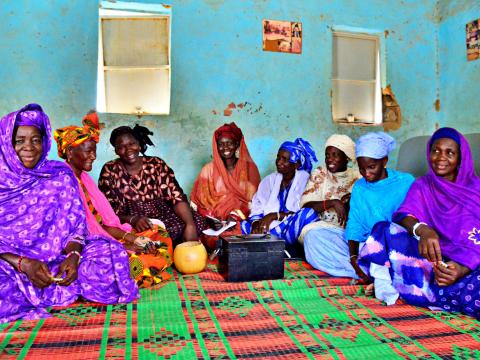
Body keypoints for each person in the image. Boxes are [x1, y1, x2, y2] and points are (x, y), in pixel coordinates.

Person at [0, 104, 138, 324]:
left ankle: (56, 285)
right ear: (6, 143)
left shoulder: (58, 175)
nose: (29, 147)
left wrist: (74, 256)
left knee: (110, 254)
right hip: (10, 264)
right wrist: (24, 264)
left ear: (43, 143)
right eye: (19, 140)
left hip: (57, 260)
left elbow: (75, 228)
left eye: (35, 140)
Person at [359, 128, 480, 319]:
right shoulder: (423, 185)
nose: (441, 157)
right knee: (384, 230)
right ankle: (397, 284)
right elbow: (404, 214)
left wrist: (463, 268)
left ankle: (409, 286)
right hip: (431, 262)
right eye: (436, 150)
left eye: (450, 153)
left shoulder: (476, 190)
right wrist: (422, 229)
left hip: (470, 265)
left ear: (461, 158)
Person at [54, 113, 173, 288]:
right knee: (132, 261)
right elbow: (84, 233)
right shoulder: (63, 182)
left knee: (159, 234)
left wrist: (133, 238)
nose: (93, 156)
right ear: (70, 152)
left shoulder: (84, 179)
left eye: (94, 151)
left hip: (106, 236)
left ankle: (140, 260)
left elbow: (101, 223)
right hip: (82, 248)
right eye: (88, 151)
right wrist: (127, 245)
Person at [98, 125, 206, 245]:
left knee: (196, 222)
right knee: (141, 235)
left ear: (139, 144)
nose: (128, 150)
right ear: (116, 150)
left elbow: (176, 196)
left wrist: (190, 225)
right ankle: (157, 250)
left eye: (131, 143)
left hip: (163, 215)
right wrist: (133, 219)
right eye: (121, 147)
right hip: (129, 220)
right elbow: (107, 210)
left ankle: (172, 249)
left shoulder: (156, 164)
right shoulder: (110, 170)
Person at [346, 132, 415, 287]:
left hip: (395, 245)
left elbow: (413, 218)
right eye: (361, 169)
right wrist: (353, 257)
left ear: (384, 161)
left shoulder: (405, 182)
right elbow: (354, 223)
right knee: (317, 237)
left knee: (384, 229)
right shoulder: (359, 186)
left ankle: (375, 271)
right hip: (365, 244)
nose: (366, 174)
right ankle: (367, 269)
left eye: (371, 167)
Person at [241, 138, 318, 255]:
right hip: (267, 226)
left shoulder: (305, 180)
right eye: (278, 157)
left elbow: (299, 210)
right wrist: (257, 223)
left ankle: (267, 243)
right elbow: (257, 204)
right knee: (241, 225)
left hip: (289, 226)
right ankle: (273, 245)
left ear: (296, 164)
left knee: (308, 214)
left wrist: (274, 216)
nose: (279, 162)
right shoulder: (270, 180)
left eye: (285, 159)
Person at [301, 135, 361, 277]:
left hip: (349, 232)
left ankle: (356, 268)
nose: (330, 159)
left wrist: (350, 202)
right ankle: (356, 270)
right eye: (327, 155)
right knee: (311, 236)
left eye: (335, 155)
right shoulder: (320, 174)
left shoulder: (358, 177)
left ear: (346, 157)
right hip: (323, 228)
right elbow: (306, 205)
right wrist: (333, 202)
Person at [190, 122, 260, 223]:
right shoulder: (208, 170)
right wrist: (211, 219)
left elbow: (254, 201)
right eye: (221, 144)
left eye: (229, 143)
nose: (225, 147)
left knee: (239, 234)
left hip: (242, 219)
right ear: (216, 147)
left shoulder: (250, 169)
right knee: (211, 238)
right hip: (214, 222)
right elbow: (198, 202)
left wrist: (235, 216)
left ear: (236, 145)